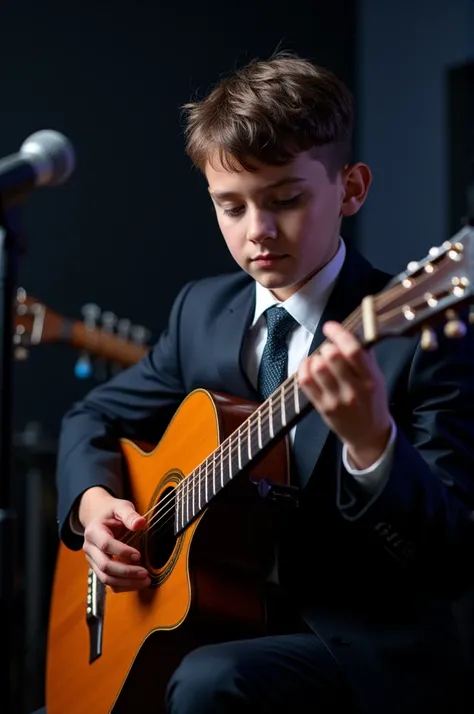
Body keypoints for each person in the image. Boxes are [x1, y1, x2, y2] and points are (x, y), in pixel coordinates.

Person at [35, 52, 474, 714]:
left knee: (211, 682)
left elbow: (452, 558)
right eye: (230, 206)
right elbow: (90, 419)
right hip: (216, 622)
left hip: (355, 645)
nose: (257, 233)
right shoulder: (202, 313)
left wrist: (372, 447)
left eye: (285, 200)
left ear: (351, 188)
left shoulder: (419, 336)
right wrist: (95, 507)